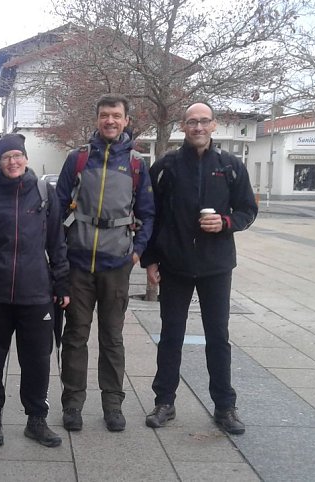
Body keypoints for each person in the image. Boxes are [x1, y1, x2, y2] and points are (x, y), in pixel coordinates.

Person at [143, 101, 257, 435]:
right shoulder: (166, 167)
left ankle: (225, 406)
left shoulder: (231, 166)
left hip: (215, 266)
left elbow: (248, 210)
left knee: (218, 337)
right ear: (182, 126)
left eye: (203, 122)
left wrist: (224, 222)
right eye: (192, 122)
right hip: (175, 265)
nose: (198, 128)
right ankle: (164, 402)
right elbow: (152, 217)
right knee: (171, 336)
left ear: (214, 125)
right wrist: (150, 260)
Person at [55, 94, 154, 433]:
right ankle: (73, 404)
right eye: (104, 115)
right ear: (96, 119)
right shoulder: (78, 158)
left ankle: (112, 404)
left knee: (112, 337)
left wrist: (137, 250)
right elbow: (57, 208)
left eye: (116, 115)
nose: (110, 121)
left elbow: (147, 213)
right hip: (79, 263)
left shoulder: (137, 164)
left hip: (116, 265)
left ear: (126, 120)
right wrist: (59, 256)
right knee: (76, 336)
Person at [0, 134, 70, 448]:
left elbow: (57, 241)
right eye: (6, 157)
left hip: (36, 292)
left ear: (25, 158)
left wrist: (62, 281)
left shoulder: (44, 192)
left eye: (17, 155)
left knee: (38, 360)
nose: (12, 162)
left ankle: (36, 420)